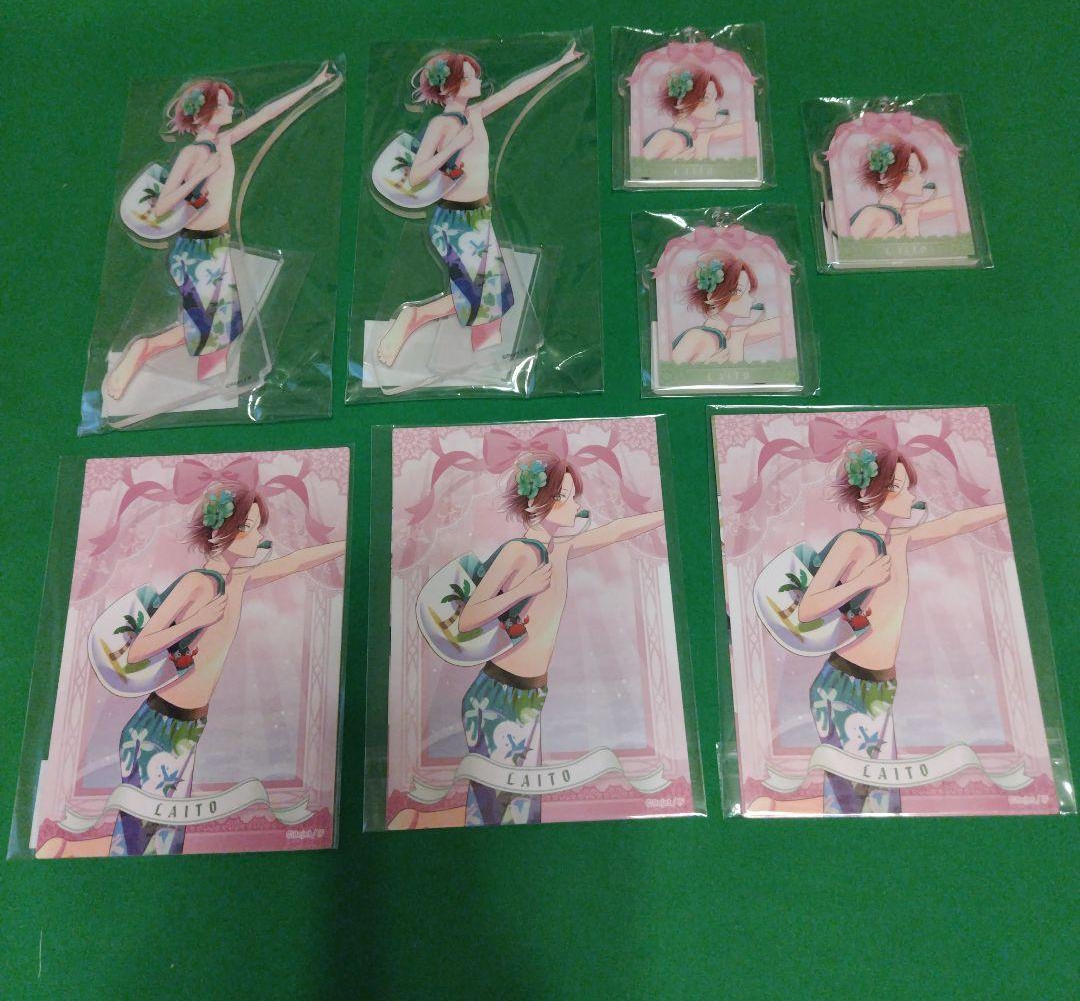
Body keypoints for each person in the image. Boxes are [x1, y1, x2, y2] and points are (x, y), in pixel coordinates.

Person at [37, 482, 345, 857]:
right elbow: (139, 648)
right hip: (158, 727)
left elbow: (295, 562)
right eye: (248, 528)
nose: (258, 537)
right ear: (220, 533)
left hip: (189, 725)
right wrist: (195, 620)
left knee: (166, 840)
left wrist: (353, 543)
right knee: (140, 843)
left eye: (258, 528)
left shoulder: (237, 579)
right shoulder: (197, 583)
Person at [389, 451, 664, 828]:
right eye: (564, 497)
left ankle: (417, 821)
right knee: (504, 812)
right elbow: (469, 617)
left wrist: (669, 514)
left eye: (574, 497)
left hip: (530, 693)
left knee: (516, 810)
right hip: (500, 695)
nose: (575, 506)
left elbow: (614, 531)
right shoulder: (518, 552)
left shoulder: (559, 549)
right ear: (536, 502)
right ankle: (417, 823)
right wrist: (524, 588)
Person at [750, 442, 1005, 815]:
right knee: (862, 803)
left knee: (872, 799)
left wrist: (1010, 507)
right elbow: (808, 608)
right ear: (870, 493)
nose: (910, 498)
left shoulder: (897, 540)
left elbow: (955, 524)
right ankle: (772, 810)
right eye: (898, 488)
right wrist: (861, 581)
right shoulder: (853, 543)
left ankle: (772, 808)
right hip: (847, 685)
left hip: (879, 684)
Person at [105, 62, 336, 399]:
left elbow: (264, 116)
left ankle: (211, 388)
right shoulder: (192, 153)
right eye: (225, 104)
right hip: (195, 250)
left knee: (223, 327)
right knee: (210, 326)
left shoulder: (223, 141)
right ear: (207, 112)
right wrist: (201, 175)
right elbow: (163, 205)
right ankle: (145, 349)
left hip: (217, 243)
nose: (232, 109)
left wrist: (313, 84)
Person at [376, 44, 585, 366]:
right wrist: (453, 147)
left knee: (493, 303)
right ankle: (415, 316)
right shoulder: (442, 125)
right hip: (456, 221)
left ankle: (487, 363)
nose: (478, 81)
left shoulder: (472, 114)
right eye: (470, 77)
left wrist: (562, 61)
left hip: (478, 216)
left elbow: (516, 89)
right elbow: (417, 175)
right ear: (450, 86)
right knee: (482, 299)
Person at [670, 253, 780, 365]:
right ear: (712, 296)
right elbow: (666, 372)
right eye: (739, 291)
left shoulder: (735, 335)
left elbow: (783, 324)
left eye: (748, 292)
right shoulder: (696, 337)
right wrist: (703, 369)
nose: (751, 299)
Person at [848, 139, 955, 239]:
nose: (922, 180)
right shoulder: (871, 214)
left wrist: (914, 214)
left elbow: (955, 202)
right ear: (885, 178)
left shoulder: (905, 211)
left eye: (919, 172)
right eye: (910, 172)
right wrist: (883, 240)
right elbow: (846, 247)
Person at [640, 68, 742, 162]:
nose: (716, 106)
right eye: (707, 98)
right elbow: (637, 167)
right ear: (683, 102)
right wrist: (669, 165)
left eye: (715, 99)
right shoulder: (666, 137)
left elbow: (745, 128)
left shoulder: (701, 136)